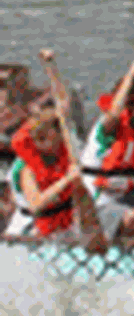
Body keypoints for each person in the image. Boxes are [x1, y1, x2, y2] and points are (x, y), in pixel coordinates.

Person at [80, 59, 134, 238]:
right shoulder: (107, 127)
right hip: (97, 205)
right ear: (131, 102)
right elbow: (115, 111)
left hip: (127, 196)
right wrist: (131, 74)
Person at [6, 101, 79, 237]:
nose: (38, 143)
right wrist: (67, 179)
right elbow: (36, 204)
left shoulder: (68, 152)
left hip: (65, 224)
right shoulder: (27, 167)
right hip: (30, 227)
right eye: (37, 138)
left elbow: (65, 106)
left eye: (43, 137)